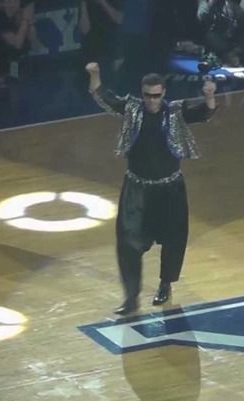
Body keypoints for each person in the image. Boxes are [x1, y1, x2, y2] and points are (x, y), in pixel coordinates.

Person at [85, 62, 217, 315]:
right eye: (148, 95)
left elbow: (204, 113)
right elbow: (104, 98)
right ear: (142, 93)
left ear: (163, 93)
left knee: (174, 239)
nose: (152, 100)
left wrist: (209, 96)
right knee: (127, 242)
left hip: (170, 189)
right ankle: (131, 297)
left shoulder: (175, 112)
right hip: (137, 189)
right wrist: (95, 74)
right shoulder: (132, 108)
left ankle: (165, 284)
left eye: (156, 96)